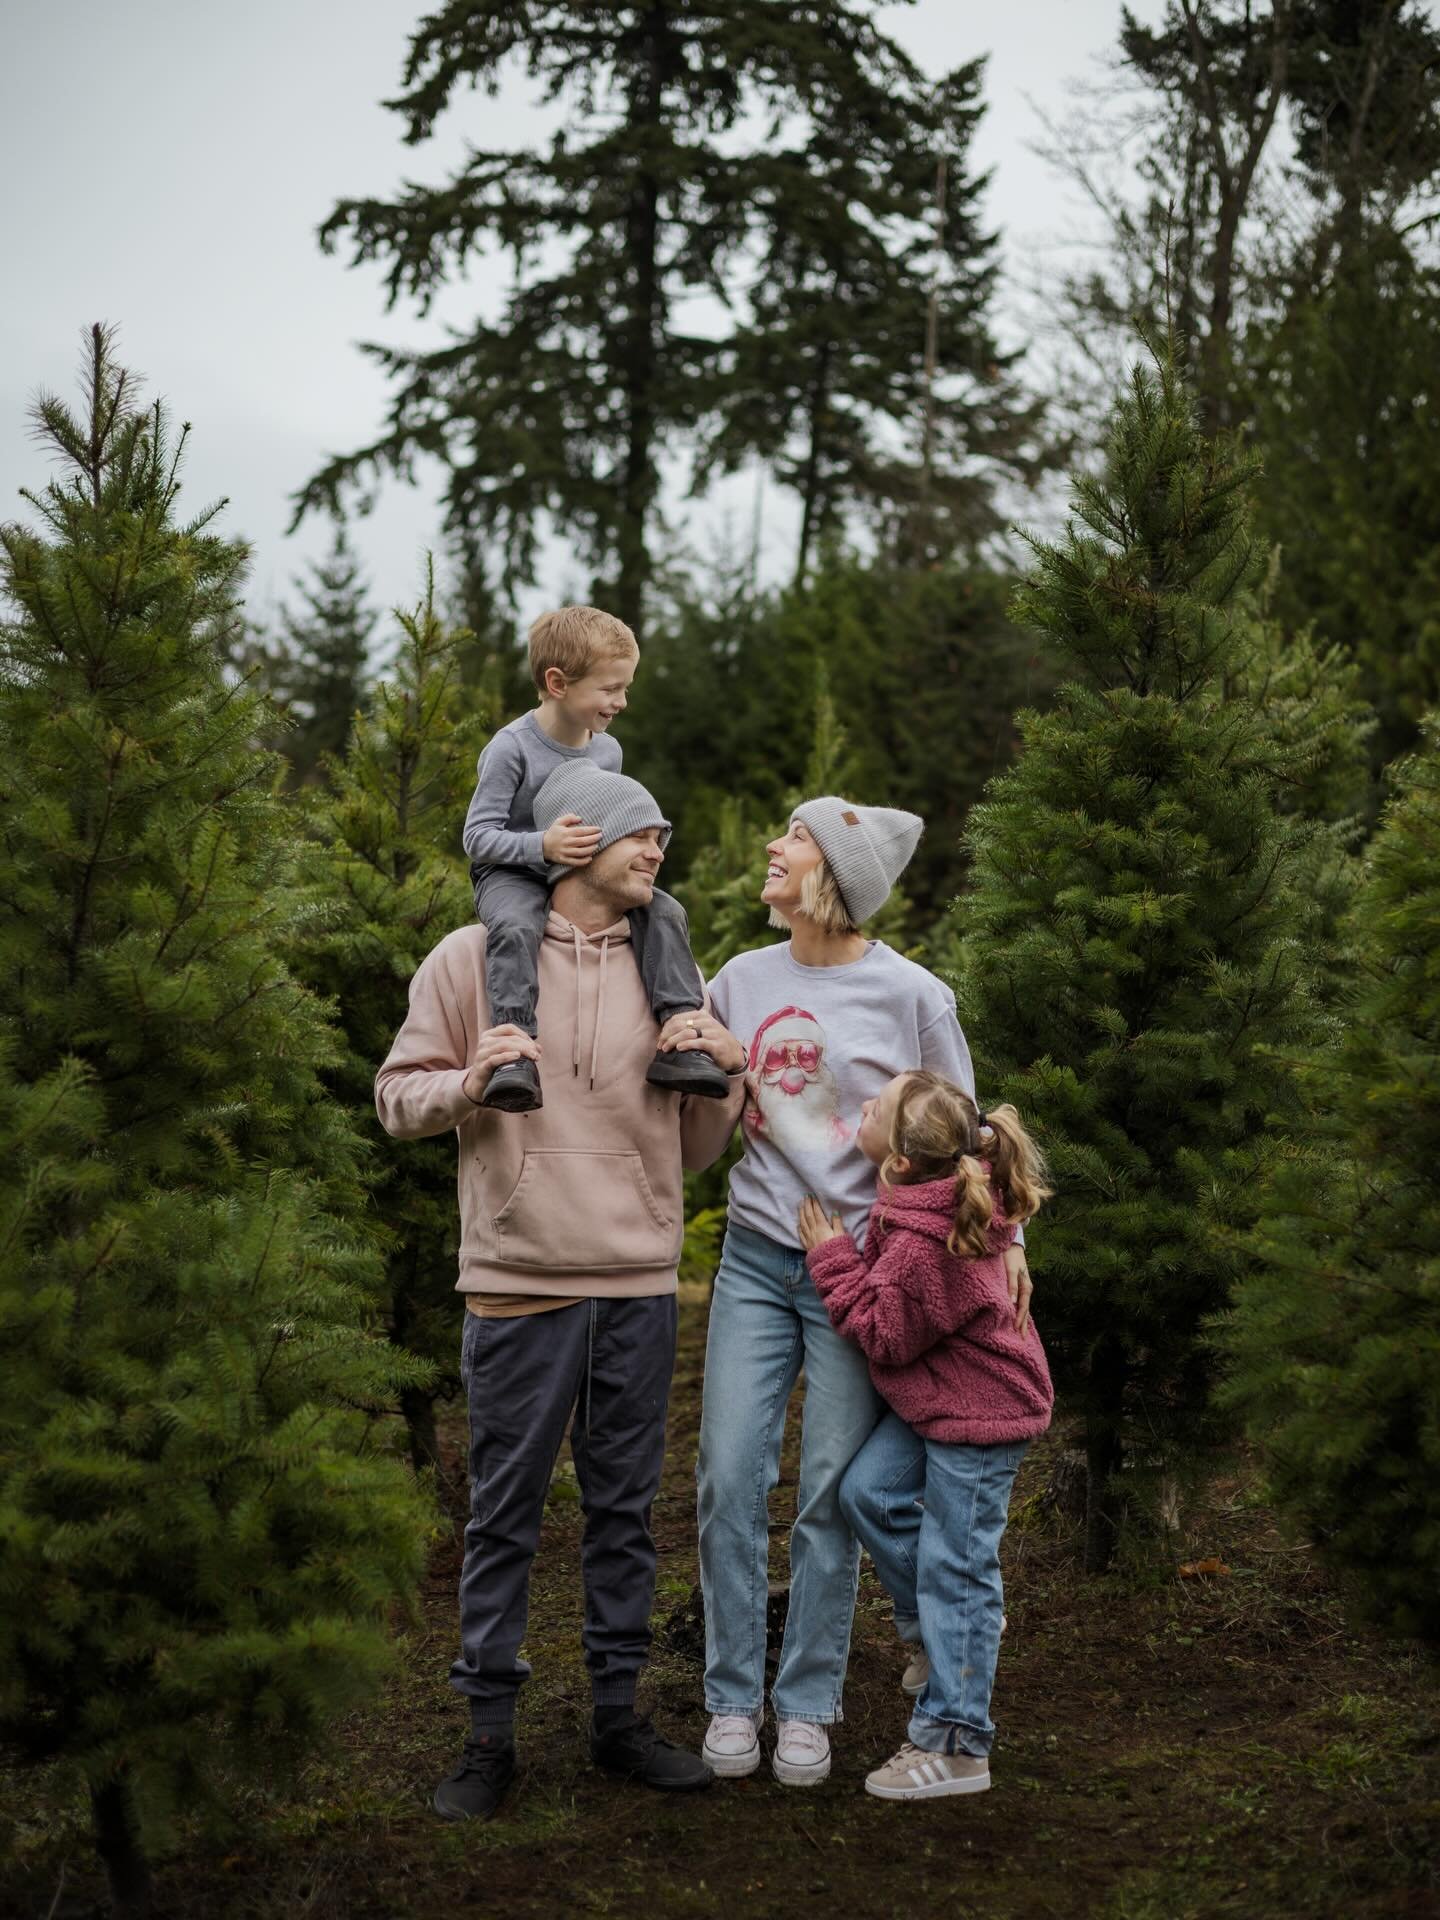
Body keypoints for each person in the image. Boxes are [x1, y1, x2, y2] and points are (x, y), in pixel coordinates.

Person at [376, 766, 746, 1822]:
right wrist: (465, 1077)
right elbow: (397, 1097)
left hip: (636, 1284)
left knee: (626, 1515)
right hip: (518, 1284)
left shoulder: (674, 969)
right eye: (641, 835)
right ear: (573, 843)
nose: (657, 852)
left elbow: (700, 1148)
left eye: (663, 838)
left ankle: (618, 1720)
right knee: (505, 1518)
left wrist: (731, 1069)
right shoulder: (468, 960)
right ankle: (488, 1737)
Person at [695, 798, 1033, 1786]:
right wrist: (720, 1071)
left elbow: (966, 1138)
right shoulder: (739, 979)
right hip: (757, 1260)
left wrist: (1005, 1239)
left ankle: (806, 1705)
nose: (772, 847)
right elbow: (708, 1121)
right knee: (726, 1476)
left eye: (793, 839)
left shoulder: (914, 996)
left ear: (833, 875)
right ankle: (728, 1696)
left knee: (829, 1497)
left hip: (866, 1278)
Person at [798, 1070, 1053, 1800]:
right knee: (869, 1493)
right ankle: (947, 1620)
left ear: (902, 1160)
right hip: (944, 1403)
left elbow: (883, 1335)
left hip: (982, 1417)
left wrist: (830, 1258)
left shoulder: (924, 1242)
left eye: (877, 1107)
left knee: (957, 1569)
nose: (864, 1103)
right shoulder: (941, 1191)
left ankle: (958, 1745)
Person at [461, 603, 726, 1113]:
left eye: (625, 688)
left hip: (581, 873)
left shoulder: (607, 751)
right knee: (516, 926)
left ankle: (680, 1030)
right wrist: (541, 846)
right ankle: (515, 1049)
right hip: (512, 871)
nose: (621, 701)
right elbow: (478, 837)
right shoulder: (511, 748)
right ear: (558, 683)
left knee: (665, 911)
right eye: (610, 689)